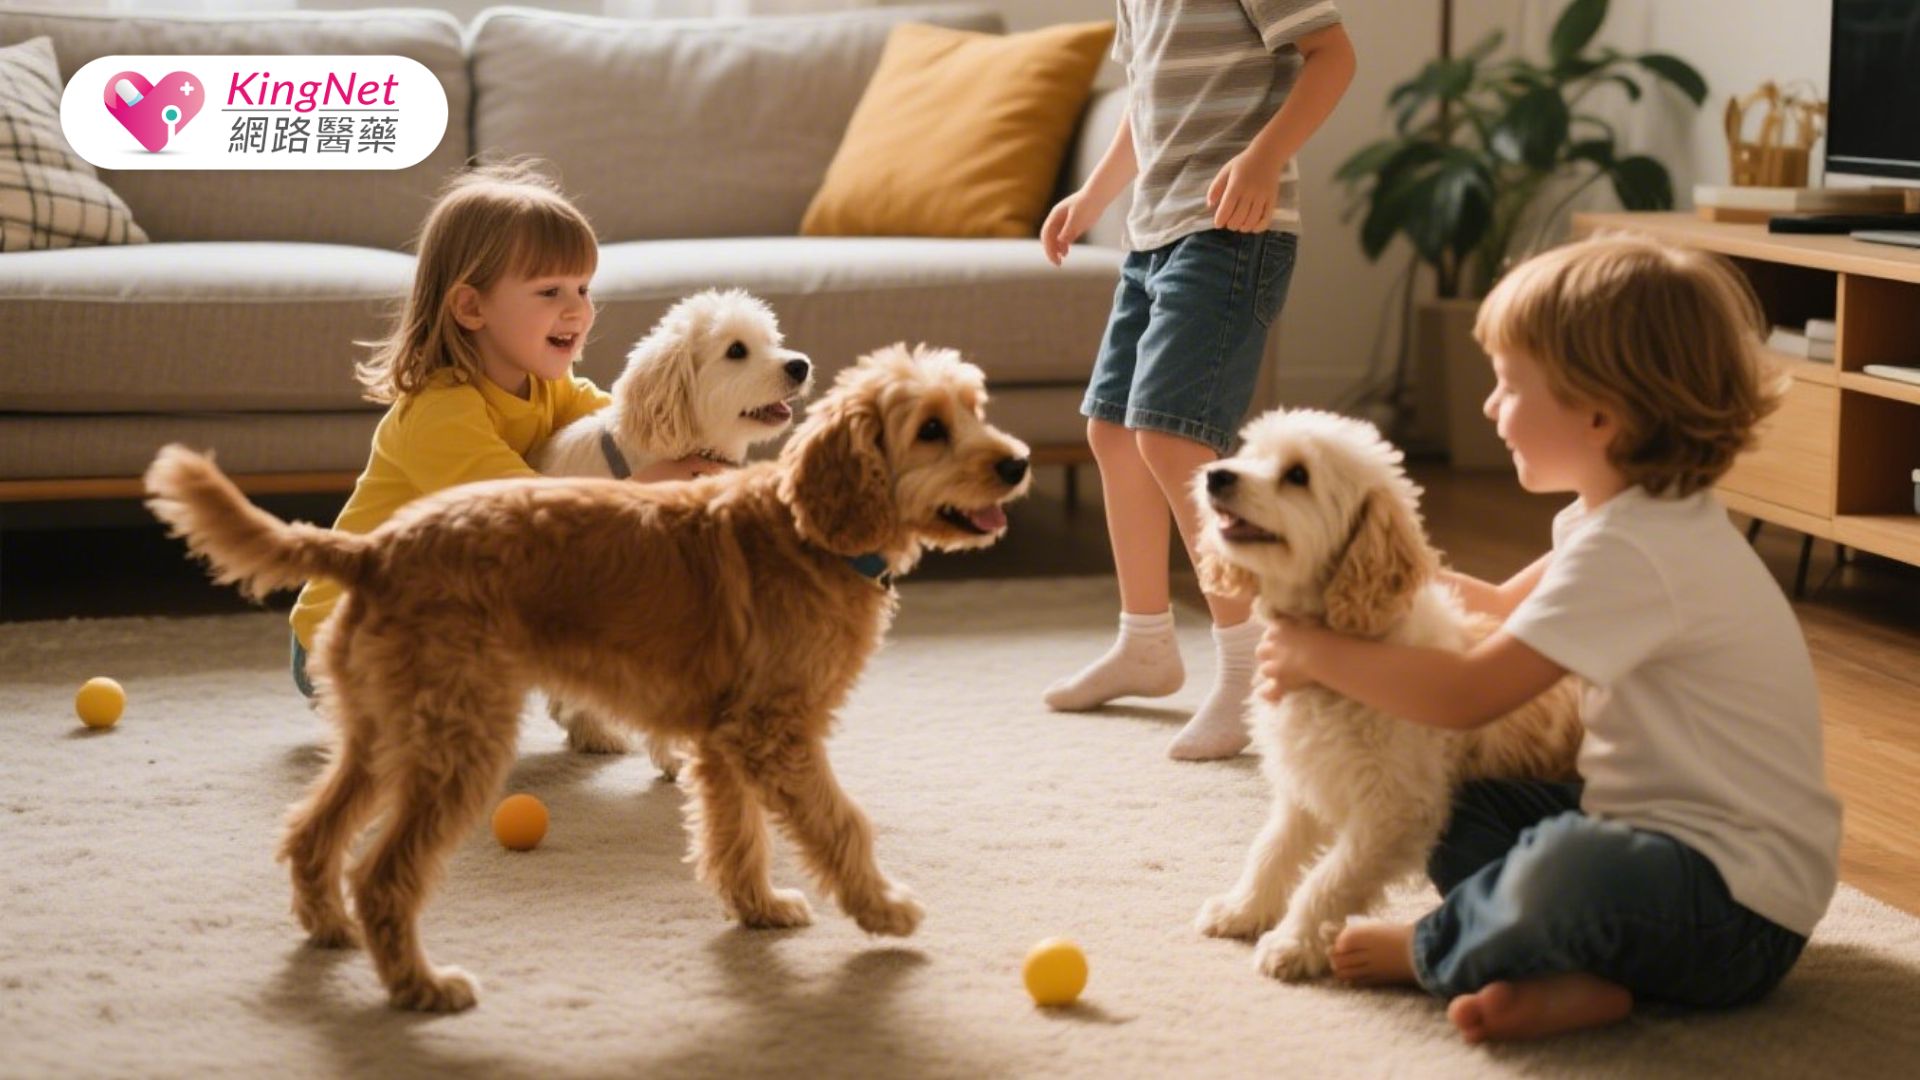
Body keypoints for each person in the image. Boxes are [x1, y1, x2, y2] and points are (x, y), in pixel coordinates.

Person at [1256, 235, 1842, 1043]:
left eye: (1506, 386)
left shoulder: (1637, 552)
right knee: (1463, 812)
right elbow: (1496, 603)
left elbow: (1467, 697)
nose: (1492, 407)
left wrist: (1319, 653)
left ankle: (1438, 948)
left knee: (1570, 867)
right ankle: (1581, 977)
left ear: (1600, 413)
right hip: (1652, 847)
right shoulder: (1619, 522)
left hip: (1736, 911)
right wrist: (1364, 578)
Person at [1038, 1, 1357, 760]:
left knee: (1172, 434)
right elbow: (1146, 103)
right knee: (1113, 431)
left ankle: (1252, 668)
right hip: (1155, 231)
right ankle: (1146, 642)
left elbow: (1333, 56)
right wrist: (1094, 195)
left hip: (1233, 231)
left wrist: (1265, 156)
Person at [287, 162, 719, 698]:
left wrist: (700, 435)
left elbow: (629, 427)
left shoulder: (550, 389)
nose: (578, 310)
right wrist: (646, 490)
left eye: (583, 288)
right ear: (471, 306)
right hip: (344, 634)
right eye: (549, 292)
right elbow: (521, 522)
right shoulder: (437, 415)